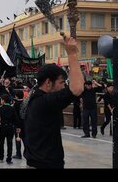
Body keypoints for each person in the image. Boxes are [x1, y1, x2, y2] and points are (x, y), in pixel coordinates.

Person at [24, 36, 84, 169]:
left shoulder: (34, 98)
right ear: (48, 82)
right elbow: (77, 88)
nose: (63, 87)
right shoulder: (45, 102)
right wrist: (72, 54)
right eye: (61, 82)